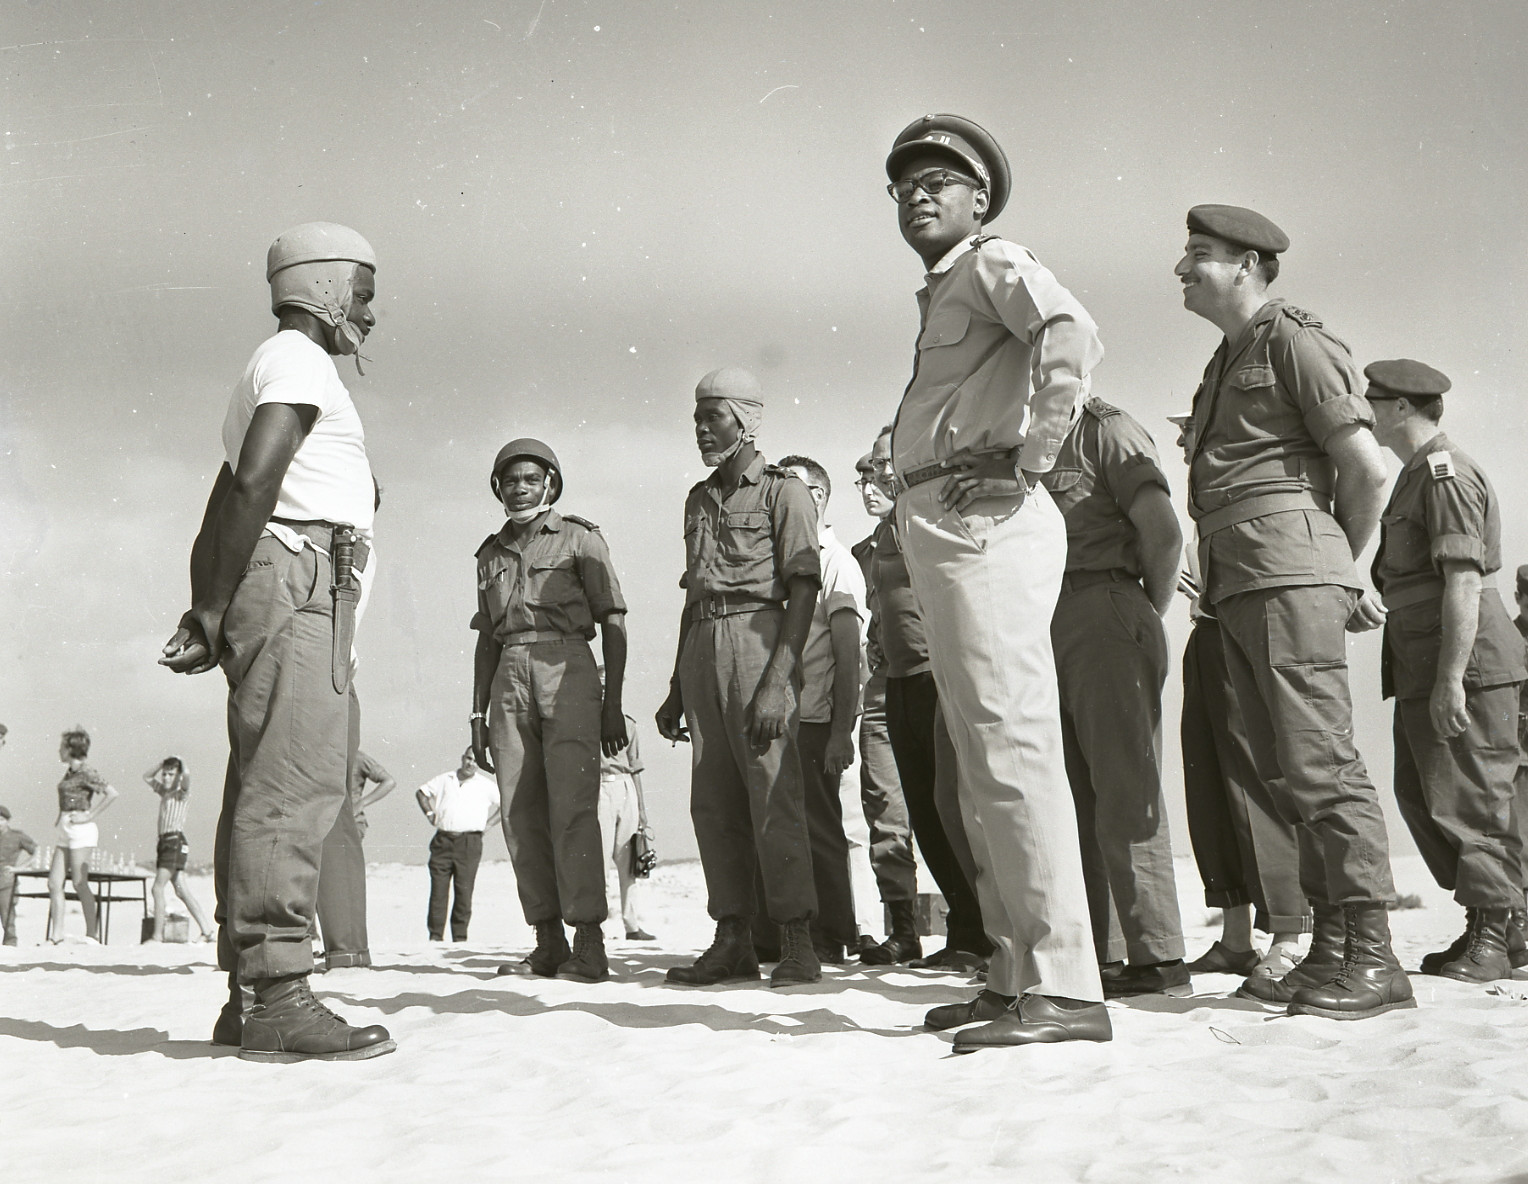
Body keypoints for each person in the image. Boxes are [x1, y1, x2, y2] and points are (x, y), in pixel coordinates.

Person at [885, 114, 1110, 1051]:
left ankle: (1062, 984)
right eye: (905, 184)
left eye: (941, 179)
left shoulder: (991, 260)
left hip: (986, 521)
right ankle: (1017, 971)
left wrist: (1032, 456)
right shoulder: (946, 289)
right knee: (982, 761)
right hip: (946, 519)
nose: (919, 194)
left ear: (980, 199)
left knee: (1012, 749)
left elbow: (1071, 328)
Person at [159, 220, 395, 1061]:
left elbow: (227, 496)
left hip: (284, 577)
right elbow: (254, 480)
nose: (369, 315)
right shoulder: (299, 361)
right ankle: (277, 992)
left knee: (268, 778)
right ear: (326, 288)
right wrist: (215, 609)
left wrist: (208, 606)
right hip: (298, 582)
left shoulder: (274, 367)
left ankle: (249, 992)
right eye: (362, 296)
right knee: (293, 784)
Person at [1177, 203, 1411, 1021]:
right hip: (1242, 580)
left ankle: (1374, 958)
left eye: (1200, 255)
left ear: (1247, 265)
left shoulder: (1294, 342)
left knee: (1320, 762)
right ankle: (1337, 948)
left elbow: (1367, 471)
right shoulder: (1228, 358)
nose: (1182, 268)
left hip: (1286, 573)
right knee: (1284, 771)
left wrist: (1331, 568)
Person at [655, 366, 824, 989]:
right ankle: (731, 937)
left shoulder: (786, 494)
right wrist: (677, 684)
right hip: (702, 647)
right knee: (712, 801)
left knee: (774, 792)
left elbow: (803, 587)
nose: (701, 429)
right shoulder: (698, 499)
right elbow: (693, 593)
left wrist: (780, 679)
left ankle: (797, 939)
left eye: (713, 417)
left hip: (761, 641)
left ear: (745, 420)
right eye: (697, 418)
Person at [1365, 359, 1526, 983]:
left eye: (1374, 401)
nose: (1367, 412)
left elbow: (1462, 579)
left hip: (1464, 659)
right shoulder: (1415, 474)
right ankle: (1500, 927)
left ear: (1402, 408)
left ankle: (1494, 932)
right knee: (1423, 795)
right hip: (1422, 656)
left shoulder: (1444, 472)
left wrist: (1452, 676)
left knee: (1473, 798)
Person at [1043, 397, 1189, 997]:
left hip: (1104, 604)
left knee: (1125, 786)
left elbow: (1163, 533)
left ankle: (1158, 958)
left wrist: (1134, 614)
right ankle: (1106, 951)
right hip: (1045, 618)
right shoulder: (1024, 443)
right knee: (1073, 796)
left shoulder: (1106, 431)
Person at [470, 437, 630, 983]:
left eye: (531, 479)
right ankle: (548, 941)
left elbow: (613, 620)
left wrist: (613, 705)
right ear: (498, 488)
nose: (520, 487)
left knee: (574, 809)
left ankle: (589, 942)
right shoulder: (489, 554)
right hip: (508, 677)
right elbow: (486, 640)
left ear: (550, 485)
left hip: (569, 669)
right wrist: (477, 717)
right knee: (518, 813)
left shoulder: (581, 539)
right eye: (510, 479)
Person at [1167, 412, 1312, 984]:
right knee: (1207, 786)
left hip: (1239, 632)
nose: (1182, 438)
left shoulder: (1253, 479)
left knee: (1253, 782)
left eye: (1190, 429)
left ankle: (1289, 933)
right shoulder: (1199, 496)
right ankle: (1234, 937)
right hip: (1206, 634)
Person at [864, 429, 992, 971]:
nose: (873, 476)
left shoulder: (934, 513)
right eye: (869, 467)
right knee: (922, 808)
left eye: (881, 464)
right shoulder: (881, 534)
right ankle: (964, 932)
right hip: (898, 679)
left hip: (939, 676)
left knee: (954, 807)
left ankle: (986, 931)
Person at [776, 453, 866, 965]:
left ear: (820, 497)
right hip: (781, 720)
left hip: (815, 719)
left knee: (824, 830)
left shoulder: (836, 562)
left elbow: (848, 652)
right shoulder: (782, 558)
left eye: (797, 490)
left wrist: (840, 732)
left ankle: (835, 934)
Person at [850, 448, 922, 965]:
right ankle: (904, 927)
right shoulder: (863, 552)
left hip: (932, 674)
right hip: (882, 682)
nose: (870, 486)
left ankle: (973, 927)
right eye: (863, 480)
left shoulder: (927, 530)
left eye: (878, 476)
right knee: (883, 804)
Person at [313, 743, 395, 971]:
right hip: (322, 824)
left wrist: (360, 802)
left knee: (338, 881)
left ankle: (342, 949)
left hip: (350, 824)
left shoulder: (357, 757)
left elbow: (389, 781)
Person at [416, 750, 501, 942]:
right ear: (462, 759)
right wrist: (430, 814)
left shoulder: (486, 785)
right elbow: (421, 792)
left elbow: (504, 805)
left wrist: (487, 825)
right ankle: (435, 937)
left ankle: (460, 939)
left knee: (464, 891)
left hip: (469, 842)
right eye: (468, 759)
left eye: (475, 761)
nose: (471, 764)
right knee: (438, 891)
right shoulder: (445, 779)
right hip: (443, 840)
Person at [596, 678, 655, 943]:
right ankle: (596, 926)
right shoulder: (582, 721)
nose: (605, 689)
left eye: (609, 685)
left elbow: (636, 768)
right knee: (599, 861)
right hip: (598, 788)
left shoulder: (628, 724)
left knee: (628, 861)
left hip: (625, 787)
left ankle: (632, 925)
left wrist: (642, 810)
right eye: (600, 685)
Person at [48, 727, 118, 943]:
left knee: (79, 882)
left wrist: (89, 816)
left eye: (62, 747)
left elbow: (111, 793)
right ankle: (56, 934)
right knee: (53, 882)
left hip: (81, 830)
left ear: (71, 749)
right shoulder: (69, 772)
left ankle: (91, 934)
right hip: (66, 829)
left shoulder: (86, 771)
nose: (59, 750)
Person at [143, 757, 214, 942]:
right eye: (165, 774)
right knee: (181, 890)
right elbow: (147, 777)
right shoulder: (165, 792)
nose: (166, 778)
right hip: (165, 842)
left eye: (170, 774)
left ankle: (157, 936)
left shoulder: (181, 793)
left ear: (178, 776)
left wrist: (182, 763)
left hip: (174, 841)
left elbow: (187, 777)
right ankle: (207, 931)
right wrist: (161, 764)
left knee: (157, 888)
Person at [0, 804, 38, 947]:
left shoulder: (17, 836)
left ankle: (10, 945)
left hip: (7, 882)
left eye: (1, 819)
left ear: (7, 820)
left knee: (7, 917)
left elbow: (36, 851)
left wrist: (19, 868)